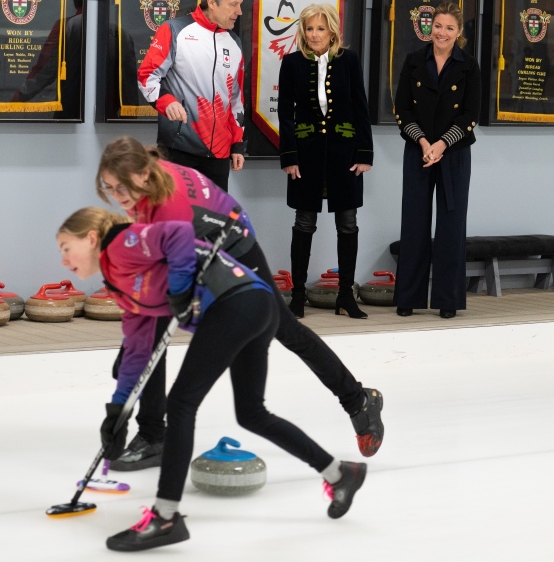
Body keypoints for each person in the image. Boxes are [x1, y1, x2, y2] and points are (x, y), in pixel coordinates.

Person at [57, 208, 367, 552]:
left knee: (180, 403)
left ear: (90, 238)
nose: (64, 260)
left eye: (65, 248)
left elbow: (175, 233)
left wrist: (177, 289)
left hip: (235, 303)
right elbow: (137, 348)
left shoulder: (123, 243)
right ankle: (340, 473)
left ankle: (166, 517)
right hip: (257, 303)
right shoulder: (118, 280)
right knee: (251, 412)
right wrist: (117, 412)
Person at [97, 137, 384, 472]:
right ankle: (153, 436)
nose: (117, 198)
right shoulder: (147, 183)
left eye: (122, 188)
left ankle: (359, 400)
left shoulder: (167, 210)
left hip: (235, 243)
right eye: (109, 188)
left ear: (144, 175)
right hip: (202, 237)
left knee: (284, 328)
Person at [278, 3, 374, 319]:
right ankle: (298, 296)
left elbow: (360, 107)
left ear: (332, 30)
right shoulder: (291, 63)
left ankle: (345, 296)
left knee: (348, 223)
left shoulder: (349, 61)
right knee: (304, 222)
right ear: (303, 32)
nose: (315, 34)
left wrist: (364, 153)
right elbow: (285, 114)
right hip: (305, 156)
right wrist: (289, 156)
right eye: (309, 28)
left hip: (344, 155)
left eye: (320, 28)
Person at [393, 1, 481, 320]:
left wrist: (443, 144)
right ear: (429, 27)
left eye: (449, 28)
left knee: (451, 226)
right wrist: (424, 142)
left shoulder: (469, 66)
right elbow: (402, 111)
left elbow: (471, 115)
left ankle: (448, 298)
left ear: (458, 33)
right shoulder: (414, 61)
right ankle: (408, 298)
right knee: (414, 222)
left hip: (454, 154)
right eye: (438, 26)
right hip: (419, 151)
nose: (442, 32)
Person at [138, 0, 246, 191]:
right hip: (179, 148)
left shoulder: (234, 42)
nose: (239, 12)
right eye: (233, 4)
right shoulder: (175, 29)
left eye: (240, 5)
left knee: (213, 221)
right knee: (175, 219)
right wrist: (166, 101)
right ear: (212, 2)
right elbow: (147, 75)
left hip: (218, 153)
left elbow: (236, 98)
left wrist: (237, 144)